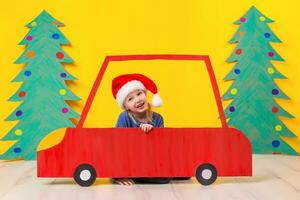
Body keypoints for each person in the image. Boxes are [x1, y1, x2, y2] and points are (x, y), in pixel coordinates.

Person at [111, 73, 172, 186]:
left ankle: (141, 174)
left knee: (167, 177)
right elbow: (118, 146)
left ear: (145, 94)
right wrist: (119, 174)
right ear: (126, 106)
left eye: (139, 93)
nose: (137, 99)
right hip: (130, 159)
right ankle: (124, 175)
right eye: (130, 99)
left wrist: (151, 133)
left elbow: (161, 148)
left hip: (149, 159)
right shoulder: (124, 117)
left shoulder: (158, 118)